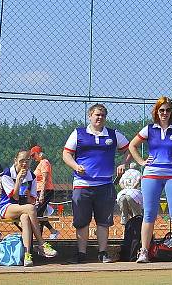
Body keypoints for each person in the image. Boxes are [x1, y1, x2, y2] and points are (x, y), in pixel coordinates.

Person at [62, 103, 131, 263]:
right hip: (82, 185)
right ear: (90, 116)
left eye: (102, 115)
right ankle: (81, 254)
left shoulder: (113, 135)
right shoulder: (78, 133)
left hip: (105, 186)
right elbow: (66, 154)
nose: (99, 117)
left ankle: (103, 253)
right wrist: (75, 166)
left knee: (103, 222)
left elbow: (130, 148)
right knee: (81, 221)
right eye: (97, 115)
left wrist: (124, 164)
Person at [129, 96, 172, 263]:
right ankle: (144, 251)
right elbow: (132, 145)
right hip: (151, 174)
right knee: (149, 214)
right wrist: (141, 162)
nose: (165, 113)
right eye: (161, 110)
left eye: (168, 110)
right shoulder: (149, 129)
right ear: (156, 111)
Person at [0, 150, 57, 266]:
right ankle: (41, 244)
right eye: (21, 161)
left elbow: (32, 200)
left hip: (23, 208)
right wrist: (18, 180)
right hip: (7, 207)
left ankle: (27, 255)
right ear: (15, 161)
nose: (24, 163)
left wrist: (29, 196)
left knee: (25, 217)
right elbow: (14, 197)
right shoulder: (6, 174)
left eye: (27, 160)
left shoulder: (32, 176)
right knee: (30, 209)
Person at [30, 145, 60, 240]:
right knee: (39, 214)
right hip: (39, 191)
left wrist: (42, 193)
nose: (32, 157)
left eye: (33, 155)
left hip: (45, 190)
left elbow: (45, 179)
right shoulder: (40, 163)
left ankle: (42, 237)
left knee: (38, 213)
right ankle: (50, 232)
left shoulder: (44, 162)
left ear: (39, 153)